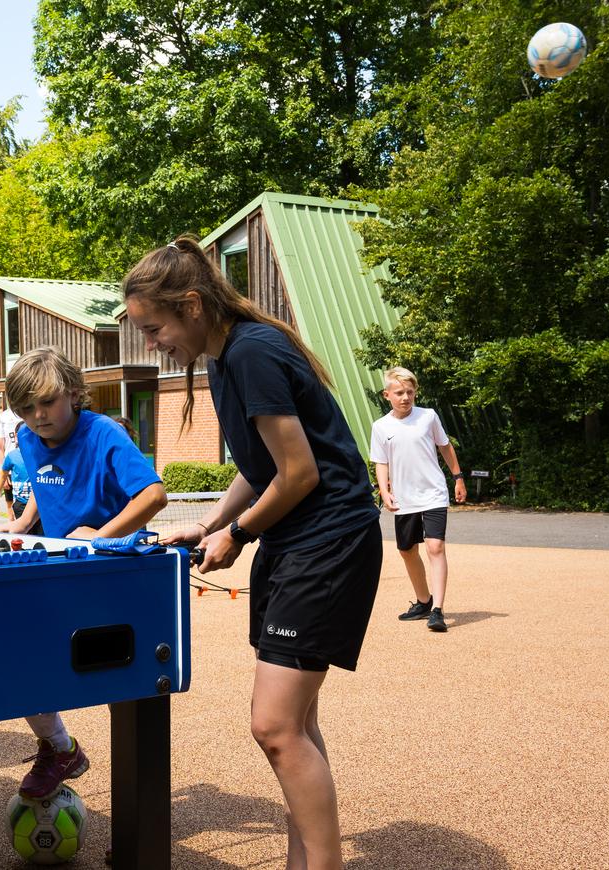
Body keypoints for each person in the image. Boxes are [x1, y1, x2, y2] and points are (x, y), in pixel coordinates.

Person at [126, 236, 382, 870]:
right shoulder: (223, 355)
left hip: (327, 540)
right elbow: (259, 465)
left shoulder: (252, 353)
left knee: (274, 726)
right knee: (294, 725)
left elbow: (299, 475)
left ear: (190, 304)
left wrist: (236, 536)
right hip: (298, 540)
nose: (153, 345)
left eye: (154, 329)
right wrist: (208, 522)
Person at [0, 346, 166, 799]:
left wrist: (101, 537)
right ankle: (59, 747)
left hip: (114, 576)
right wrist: (22, 522)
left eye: (46, 403)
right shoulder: (28, 439)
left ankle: (139, 825)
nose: (37, 416)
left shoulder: (104, 433)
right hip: (59, 573)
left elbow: (153, 495)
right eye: (25, 408)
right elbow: (48, 480)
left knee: (124, 690)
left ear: (73, 393)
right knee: (19, 657)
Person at [369, 367, 466, 633]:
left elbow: (445, 446)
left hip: (433, 493)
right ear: (387, 394)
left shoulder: (428, 417)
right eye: (399, 392)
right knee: (407, 550)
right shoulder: (381, 427)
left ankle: (438, 611)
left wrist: (458, 477)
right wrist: (385, 490)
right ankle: (424, 601)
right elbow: (380, 462)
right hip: (404, 499)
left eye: (410, 392)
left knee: (435, 547)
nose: (405, 397)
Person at [0, 444, 36, 532]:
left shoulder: (38, 453)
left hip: (38, 504)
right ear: (15, 437)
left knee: (41, 535)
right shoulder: (12, 456)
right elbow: (3, 476)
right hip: (21, 503)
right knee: (25, 534)